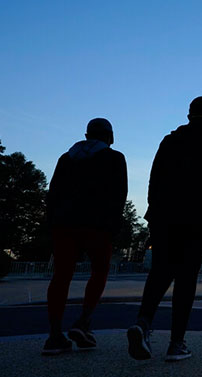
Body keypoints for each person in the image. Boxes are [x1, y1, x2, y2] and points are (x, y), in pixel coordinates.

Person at [127, 96, 202, 362]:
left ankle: (143, 323)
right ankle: (176, 343)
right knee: (186, 278)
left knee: (159, 272)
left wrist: (153, 215)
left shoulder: (170, 141)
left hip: (165, 217)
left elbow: (154, 180)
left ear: (189, 115)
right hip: (199, 219)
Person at [43, 118, 128, 355]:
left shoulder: (66, 158)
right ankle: (83, 321)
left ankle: (54, 334)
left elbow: (53, 193)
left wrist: (52, 223)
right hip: (97, 226)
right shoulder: (114, 158)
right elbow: (119, 195)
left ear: (87, 135)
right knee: (99, 273)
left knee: (61, 277)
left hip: (64, 225)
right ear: (110, 137)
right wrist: (114, 227)